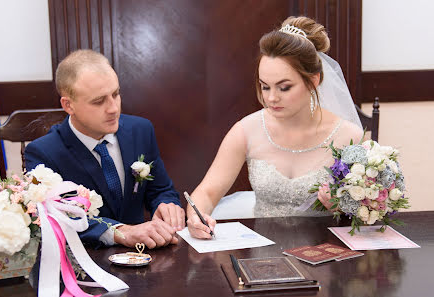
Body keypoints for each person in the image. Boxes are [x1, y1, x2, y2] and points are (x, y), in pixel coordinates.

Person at [187, 16, 363, 239]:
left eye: (284, 87)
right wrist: (196, 217)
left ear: (314, 80)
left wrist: (342, 206)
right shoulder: (246, 130)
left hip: (327, 259)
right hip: (265, 262)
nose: (271, 98)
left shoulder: (349, 137)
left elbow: (368, 215)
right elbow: (207, 192)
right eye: (265, 86)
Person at [25, 49, 185, 248]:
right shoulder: (43, 153)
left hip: (145, 256)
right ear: (69, 105)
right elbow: (54, 220)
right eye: (98, 101)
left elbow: (161, 189)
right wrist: (119, 232)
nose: (113, 108)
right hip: (85, 263)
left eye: (116, 94)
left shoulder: (141, 131)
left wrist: (166, 205)